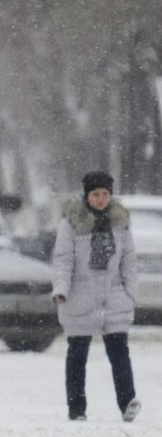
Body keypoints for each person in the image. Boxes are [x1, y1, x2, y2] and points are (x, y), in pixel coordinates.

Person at [51, 170, 141, 423]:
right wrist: (61, 289)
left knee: (119, 352)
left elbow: (129, 261)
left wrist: (130, 293)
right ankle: (76, 408)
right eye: (95, 194)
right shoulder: (71, 223)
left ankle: (127, 402)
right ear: (87, 195)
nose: (100, 199)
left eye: (104, 194)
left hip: (114, 298)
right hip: (80, 297)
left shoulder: (120, 223)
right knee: (78, 354)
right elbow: (63, 260)